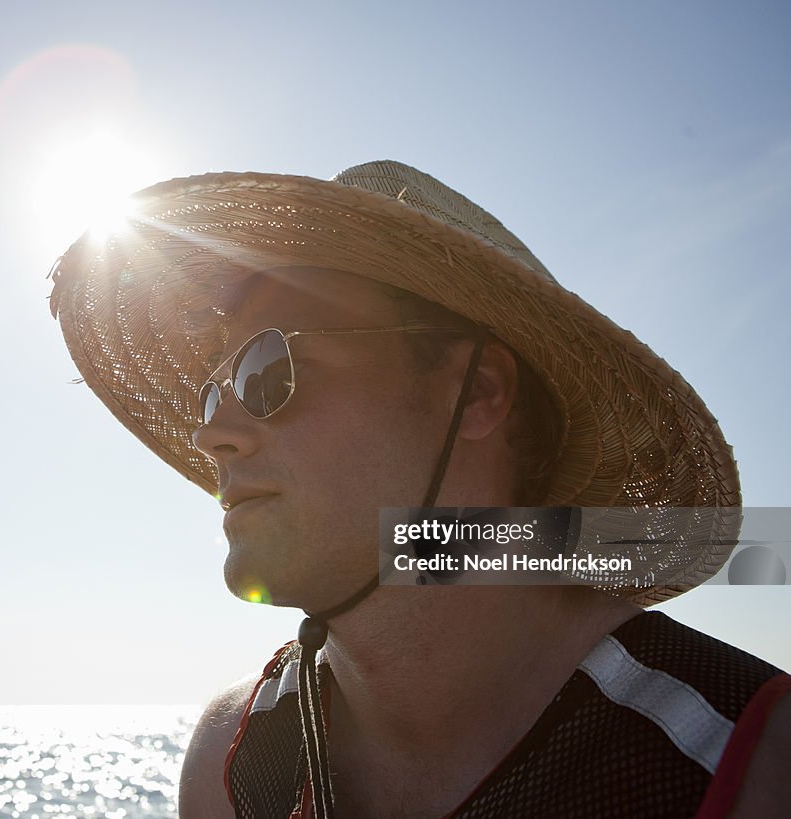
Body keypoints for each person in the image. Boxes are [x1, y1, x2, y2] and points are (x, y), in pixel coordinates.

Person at [48, 160, 790, 818]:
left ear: (477, 392)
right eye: (214, 392)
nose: (215, 435)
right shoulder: (234, 766)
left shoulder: (741, 765)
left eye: (267, 370)